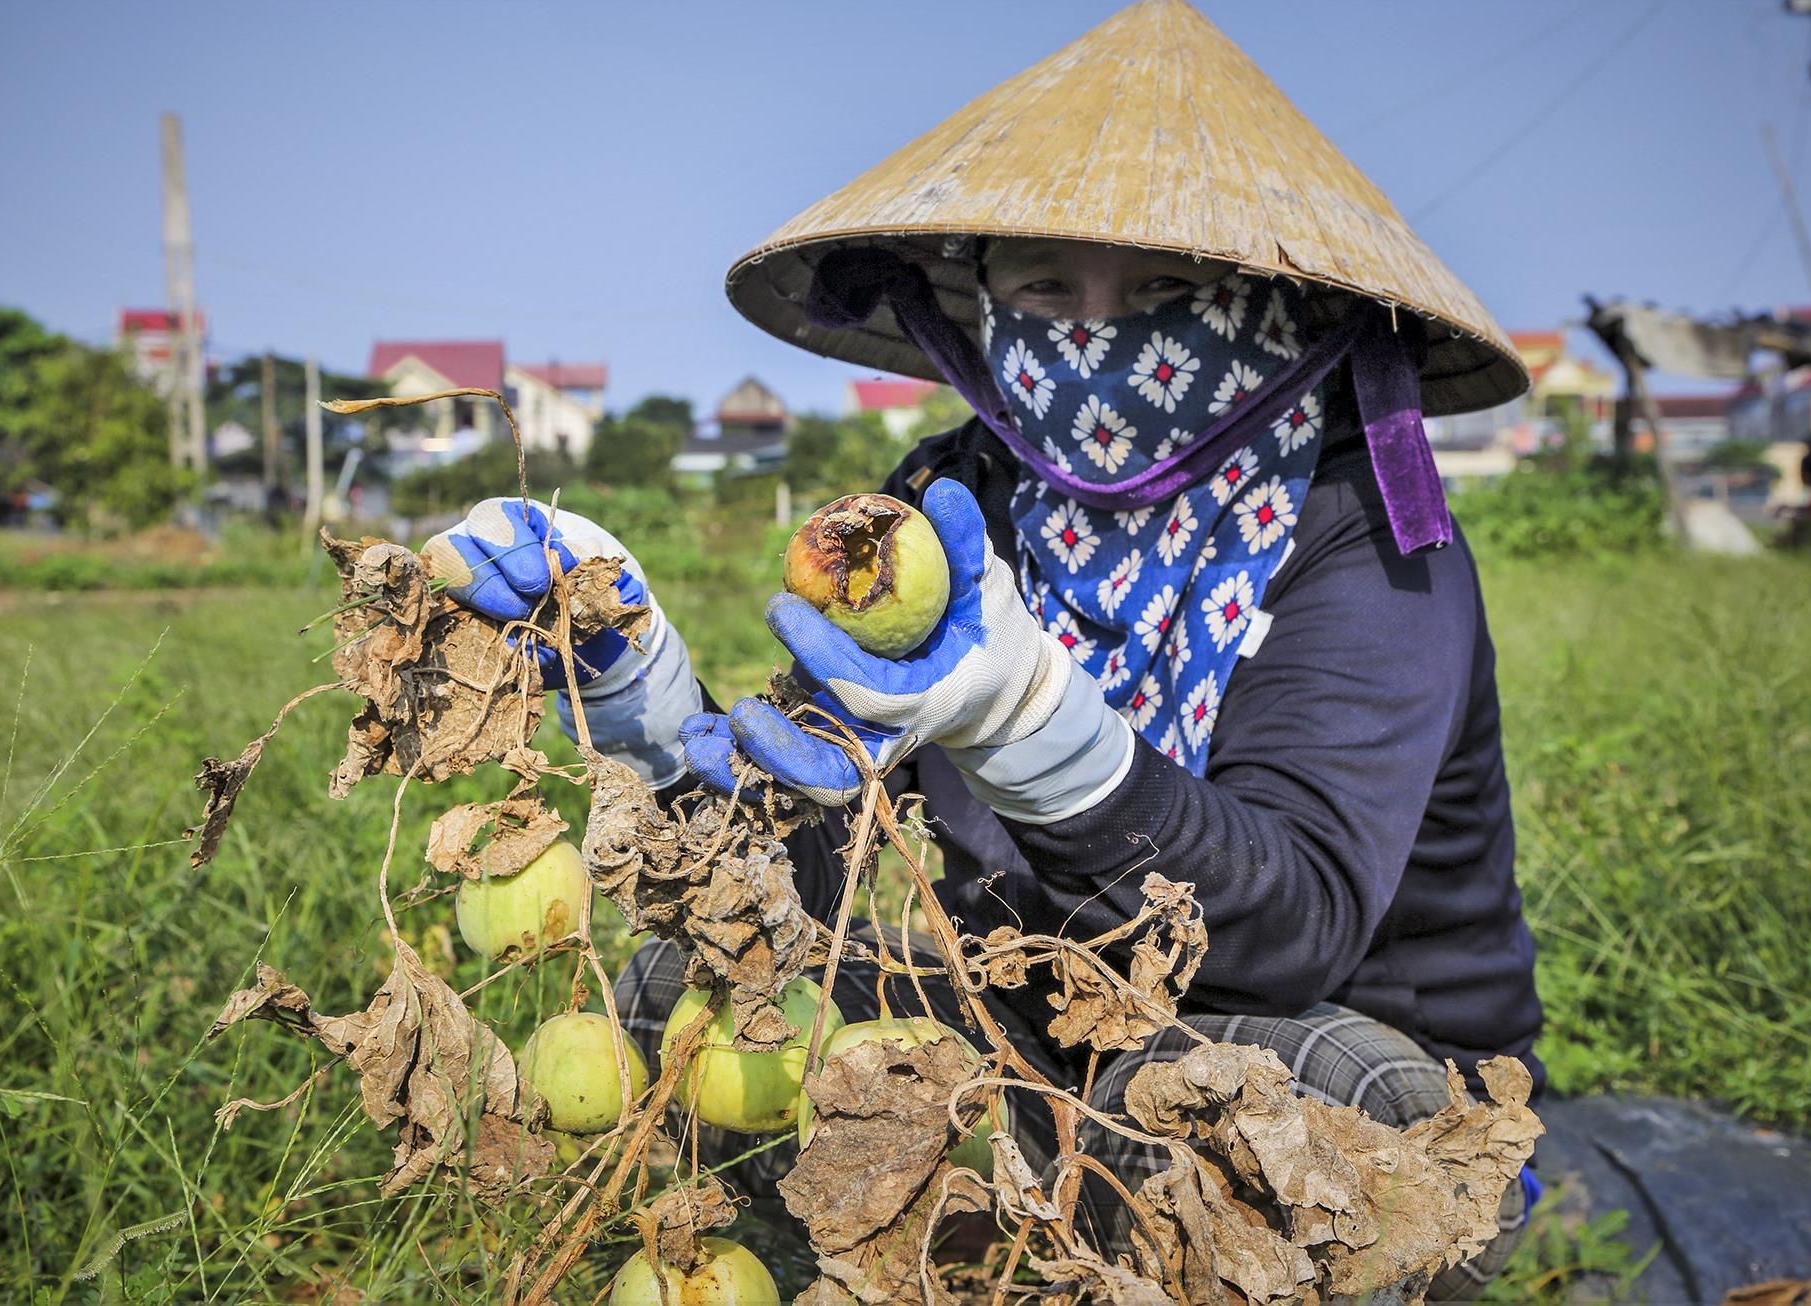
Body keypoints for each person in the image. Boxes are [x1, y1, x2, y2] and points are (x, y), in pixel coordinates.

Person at [421, 3, 1542, 1296]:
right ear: (983, 306)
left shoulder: (1366, 541)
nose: (1100, 337)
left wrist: (1027, 724)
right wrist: (648, 703)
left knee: (1201, 1098)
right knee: (698, 978)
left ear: (1274, 311)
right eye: (1048, 287)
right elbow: (809, 847)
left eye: (1168, 294)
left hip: (1350, 1057)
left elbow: (1292, 930)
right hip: (1045, 1014)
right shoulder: (955, 508)